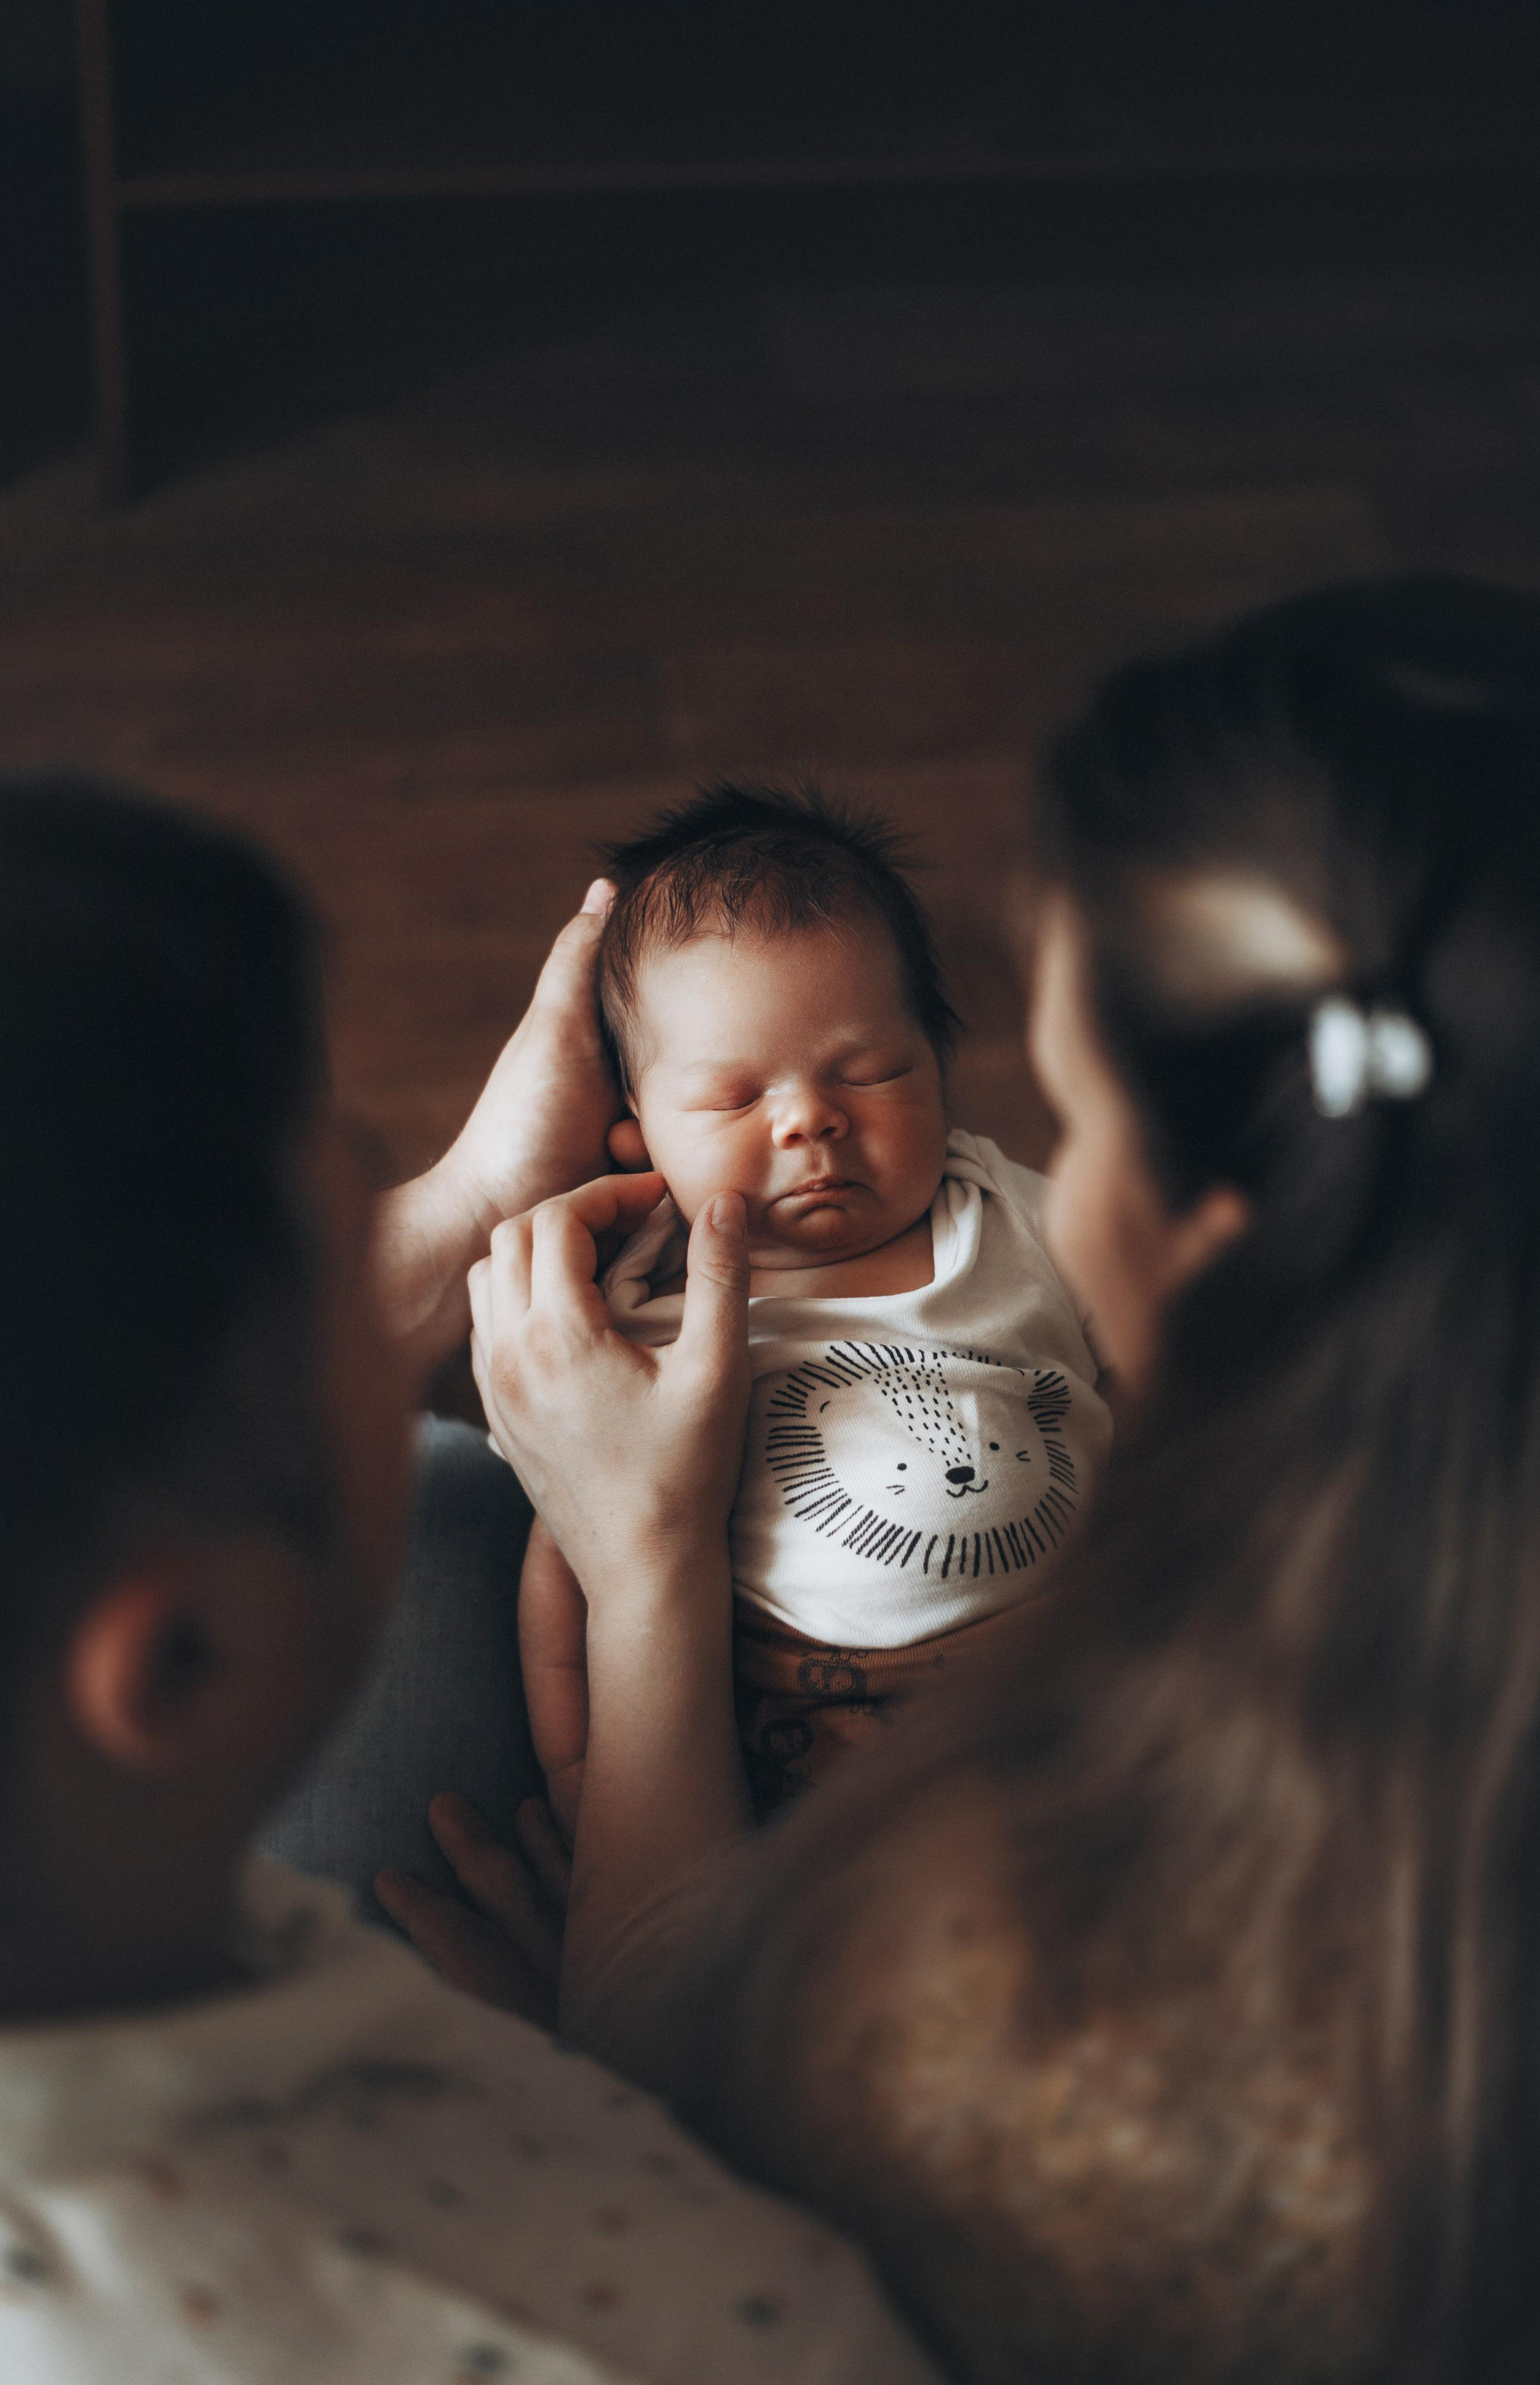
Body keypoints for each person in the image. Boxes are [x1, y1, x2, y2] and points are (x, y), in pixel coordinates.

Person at [408, 575, 1540, 2384]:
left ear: (1215, 1222)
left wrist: (591, 2042)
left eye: (1067, 1102)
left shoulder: (1023, 1970)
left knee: (410, 1542)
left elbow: (707, 2160)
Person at [0, 771, 943, 2385]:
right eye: (351, 1253)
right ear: (180, 1666)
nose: (418, 1298)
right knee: (466, 1494)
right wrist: (611, 2064)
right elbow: (746, 2140)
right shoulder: (712, 2319)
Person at [517, 782, 1111, 1828]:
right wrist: (584, 1775)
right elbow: (569, 1547)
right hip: (792, 1715)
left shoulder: (1010, 1210)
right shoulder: (630, 1292)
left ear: (938, 1066)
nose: (809, 1122)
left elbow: (1155, 1351)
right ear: (636, 1129)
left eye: (872, 1072)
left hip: (1073, 1664)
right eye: (734, 1099)